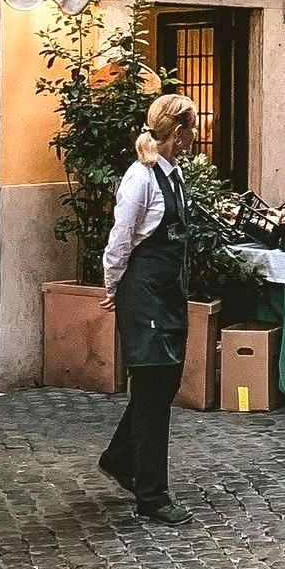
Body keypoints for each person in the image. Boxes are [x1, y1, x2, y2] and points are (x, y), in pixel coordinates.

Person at [98, 94, 199, 526]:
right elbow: (120, 238)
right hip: (144, 294)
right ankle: (152, 495)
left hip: (168, 290)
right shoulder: (140, 179)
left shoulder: (172, 174)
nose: (194, 137)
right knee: (155, 388)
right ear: (179, 134)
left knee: (162, 384)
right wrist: (111, 284)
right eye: (191, 130)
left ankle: (121, 458)